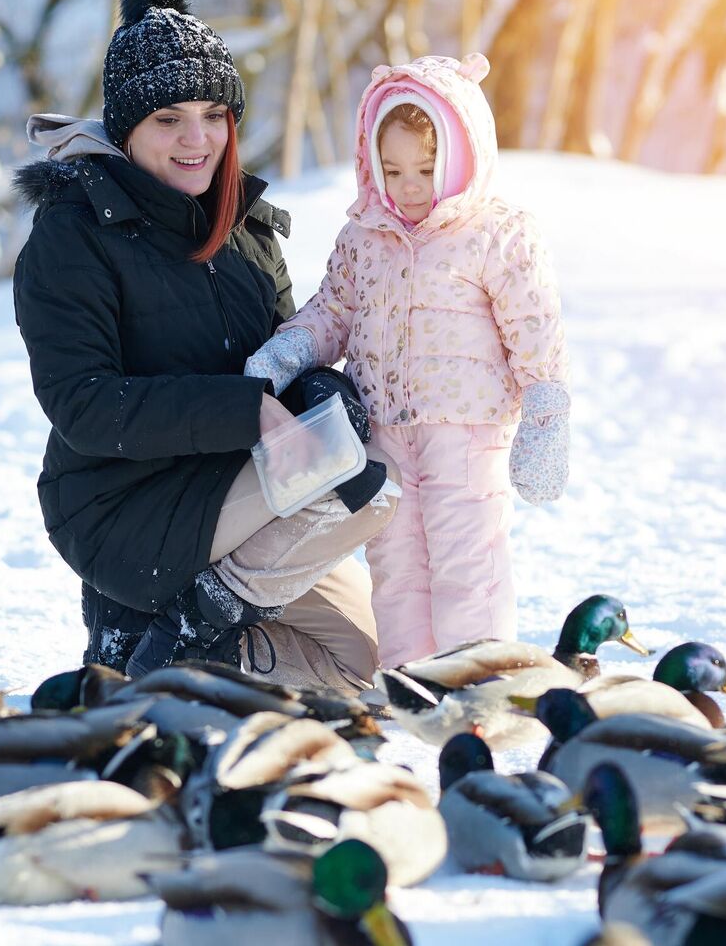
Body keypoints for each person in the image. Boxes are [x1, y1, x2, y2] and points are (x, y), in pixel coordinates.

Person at [10, 0, 398, 690]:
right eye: (168, 120)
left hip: (235, 486)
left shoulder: (246, 230)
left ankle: (186, 652)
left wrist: (317, 392)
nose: (198, 139)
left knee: (359, 667)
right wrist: (247, 410)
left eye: (214, 115)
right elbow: (86, 407)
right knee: (373, 485)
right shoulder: (73, 237)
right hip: (122, 503)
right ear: (126, 128)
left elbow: (284, 354)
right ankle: (179, 626)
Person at [244, 53, 570, 668]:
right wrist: (287, 352)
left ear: (464, 157)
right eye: (393, 170)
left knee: (466, 559)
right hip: (386, 428)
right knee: (395, 563)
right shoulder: (365, 237)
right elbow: (333, 311)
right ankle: (409, 683)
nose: (410, 186)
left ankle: (473, 680)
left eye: (427, 167)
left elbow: (534, 327)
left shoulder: (496, 234)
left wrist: (546, 409)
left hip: (465, 430)